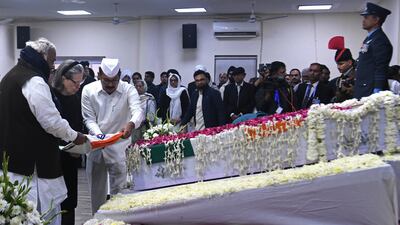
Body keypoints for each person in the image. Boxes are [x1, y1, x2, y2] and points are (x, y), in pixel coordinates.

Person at [0, 38, 87, 225]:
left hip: (13, 162)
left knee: (17, 214)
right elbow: (52, 122)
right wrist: (75, 136)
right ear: (42, 57)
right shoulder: (33, 80)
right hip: (32, 167)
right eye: (51, 61)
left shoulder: (10, 76)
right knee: (39, 215)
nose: (52, 66)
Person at [81, 58, 144, 214]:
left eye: (114, 81)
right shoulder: (88, 90)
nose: (110, 84)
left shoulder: (128, 89)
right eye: (106, 80)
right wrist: (100, 136)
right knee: (97, 193)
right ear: (99, 75)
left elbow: (138, 111)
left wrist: (131, 124)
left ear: (120, 76)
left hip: (120, 147)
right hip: (97, 146)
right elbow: (88, 118)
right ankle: (98, 221)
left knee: (120, 192)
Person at [50, 60, 85, 225]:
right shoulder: (51, 96)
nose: (78, 86)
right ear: (63, 78)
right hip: (53, 159)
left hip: (71, 157)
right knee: (54, 202)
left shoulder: (76, 97)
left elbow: (78, 125)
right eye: (75, 82)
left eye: (81, 82)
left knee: (70, 201)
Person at [355, 2, 392, 99]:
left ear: (376, 20)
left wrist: (377, 90)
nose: (363, 20)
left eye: (366, 17)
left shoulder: (380, 40)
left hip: (370, 89)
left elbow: (381, 67)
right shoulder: (370, 38)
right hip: (364, 86)